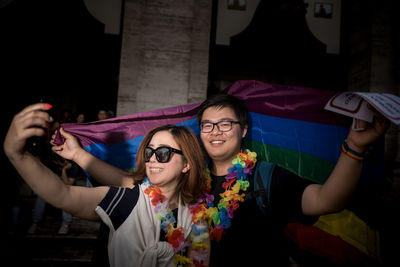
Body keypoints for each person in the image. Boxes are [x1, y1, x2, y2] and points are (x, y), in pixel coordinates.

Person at [51, 92, 389, 266]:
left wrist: (354, 149)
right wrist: (79, 156)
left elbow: (328, 200)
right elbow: (128, 183)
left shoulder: (265, 177)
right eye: (207, 126)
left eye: (225, 124)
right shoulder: (183, 176)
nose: (215, 132)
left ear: (242, 130)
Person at [3, 103, 211, 267]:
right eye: (149, 151)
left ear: (186, 164)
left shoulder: (197, 217)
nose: (153, 159)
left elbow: (200, 261)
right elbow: (63, 195)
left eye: (163, 153)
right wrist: (17, 156)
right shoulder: (128, 200)